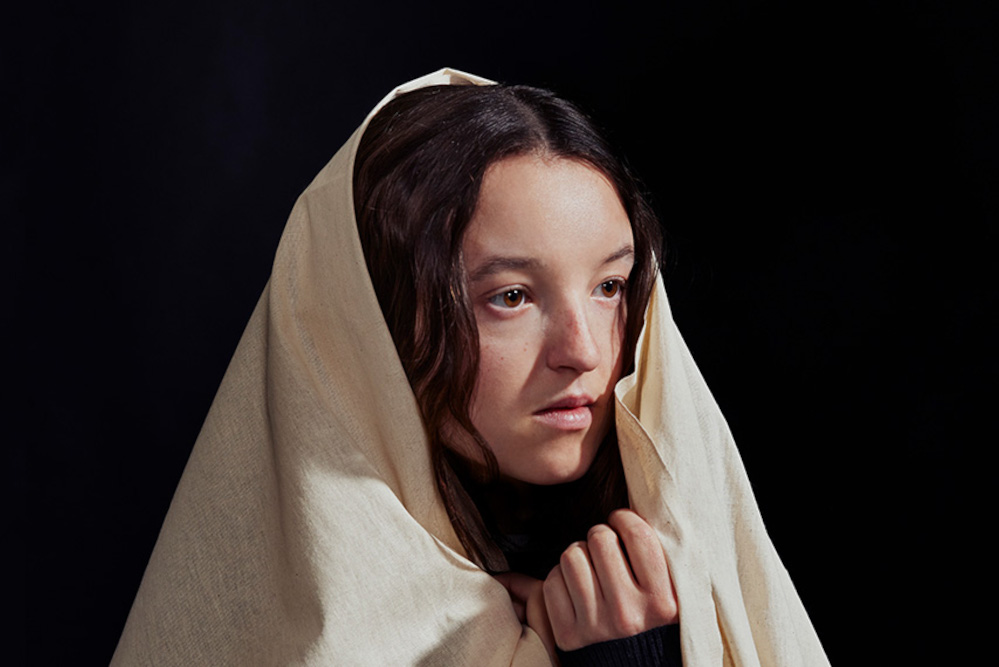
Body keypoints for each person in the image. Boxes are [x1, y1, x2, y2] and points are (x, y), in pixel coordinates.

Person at [112, 69, 829, 666]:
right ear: (379, 328)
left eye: (609, 285)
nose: (582, 349)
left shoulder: (683, 577)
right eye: (511, 296)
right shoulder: (278, 625)